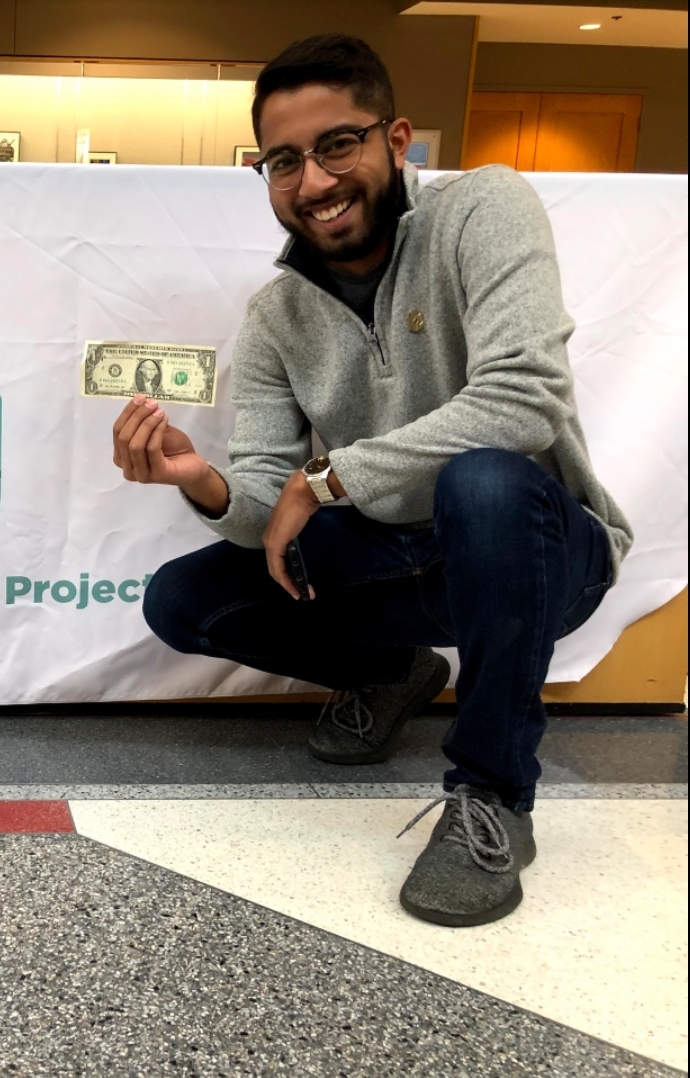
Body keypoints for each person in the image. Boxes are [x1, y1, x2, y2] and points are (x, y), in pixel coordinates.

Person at [112, 34, 630, 927]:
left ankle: (492, 797)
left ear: (397, 140)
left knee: (485, 483)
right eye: (283, 161)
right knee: (185, 600)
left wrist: (327, 478)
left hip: (537, 550)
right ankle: (394, 676)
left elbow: (523, 400)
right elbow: (267, 508)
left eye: (336, 145)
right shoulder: (276, 315)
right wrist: (199, 481)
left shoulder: (484, 209)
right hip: (395, 560)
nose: (312, 182)